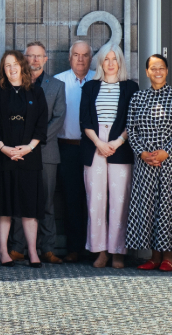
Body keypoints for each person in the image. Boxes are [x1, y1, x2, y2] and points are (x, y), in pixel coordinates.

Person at [0, 51, 48, 268]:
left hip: (29, 158)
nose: (12, 69)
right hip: (2, 157)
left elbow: (42, 123)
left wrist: (29, 148)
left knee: (30, 208)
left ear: (22, 66)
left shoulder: (36, 92)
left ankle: (32, 251)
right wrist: (3, 148)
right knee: (4, 207)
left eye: (15, 64)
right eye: (7, 65)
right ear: (3, 69)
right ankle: (3, 251)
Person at [79, 43, 137, 269]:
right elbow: (85, 120)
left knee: (119, 200)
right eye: (106, 59)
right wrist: (99, 143)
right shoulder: (90, 87)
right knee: (95, 200)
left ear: (120, 62)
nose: (111, 63)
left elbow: (133, 120)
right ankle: (101, 251)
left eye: (115, 59)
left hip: (120, 145)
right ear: (100, 62)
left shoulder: (130, 87)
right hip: (94, 145)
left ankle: (118, 252)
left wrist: (117, 141)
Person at [8, 42, 66, 265]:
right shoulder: (15, 84)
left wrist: (33, 142)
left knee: (46, 202)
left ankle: (47, 249)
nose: (34, 60)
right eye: (30, 56)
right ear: (24, 59)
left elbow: (58, 118)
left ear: (45, 59)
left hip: (46, 151)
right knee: (19, 199)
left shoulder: (57, 86)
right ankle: (17, 247)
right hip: (19, 152)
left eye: (38, 56)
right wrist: (21, 144)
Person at [126, 54, 172, 271]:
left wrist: (166, 152)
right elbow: (131, 129)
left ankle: (168, 257)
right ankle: (154, 257)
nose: (157, 72)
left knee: (167, 207)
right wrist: (142, 153)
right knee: (148, 207)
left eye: (161, 67)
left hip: (168, 162)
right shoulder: (138, 98)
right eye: (153, 68)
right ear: (146, 72)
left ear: (167, 71)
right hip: (145, 162)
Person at [54, 40, 95, 263]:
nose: (80, 59)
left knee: (95, 199)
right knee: (71, 199)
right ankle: (74, 248)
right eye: (76, 55)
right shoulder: (58, 81)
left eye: (85, 55)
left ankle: (97, 248)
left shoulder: (99, 79)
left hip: (94, 148)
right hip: (67, 148)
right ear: (70, 58)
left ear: (91, 58)